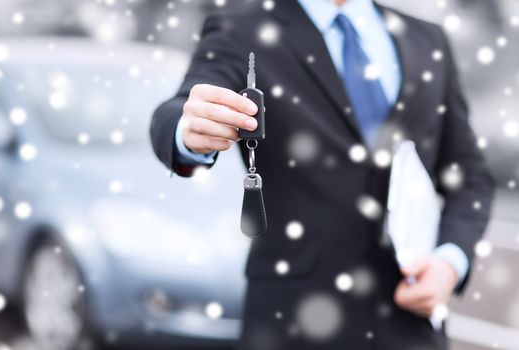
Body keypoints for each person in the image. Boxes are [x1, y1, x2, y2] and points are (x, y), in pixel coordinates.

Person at [150, 0, 495, 348]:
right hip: (293, 323)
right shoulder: (241, 31)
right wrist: (187, 131)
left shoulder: (428, 39)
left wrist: (450, 262)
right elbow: (176, 113)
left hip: (411, 326)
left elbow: (470, 178)